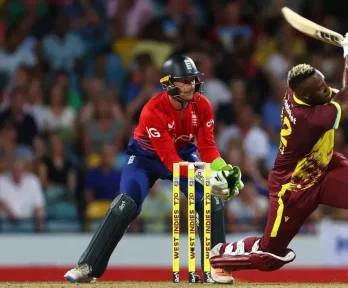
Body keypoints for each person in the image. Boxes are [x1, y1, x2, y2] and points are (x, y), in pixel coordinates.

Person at [208, 33, 348, 286]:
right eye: (320, 89)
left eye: (323, 83)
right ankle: (220, 258)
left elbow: (346, 93)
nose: (325, 89)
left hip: (326, 167)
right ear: (306, 98)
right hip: (293, 189)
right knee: (270, 255)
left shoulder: (304, 91)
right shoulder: (308, 117)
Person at [65, 55, 243, 284]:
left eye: (193, 80)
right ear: (168, 84)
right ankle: (87, 267)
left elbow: (208, 147)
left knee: (211, 201)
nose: (192, 86)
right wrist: (206, 176)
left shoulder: (203, 105)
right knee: (125, 204)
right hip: (145, 159)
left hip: (183, 154)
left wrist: (224, 171)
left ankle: (217, 269)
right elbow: (169, 161)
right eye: (184, 81)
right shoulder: (153, 110)